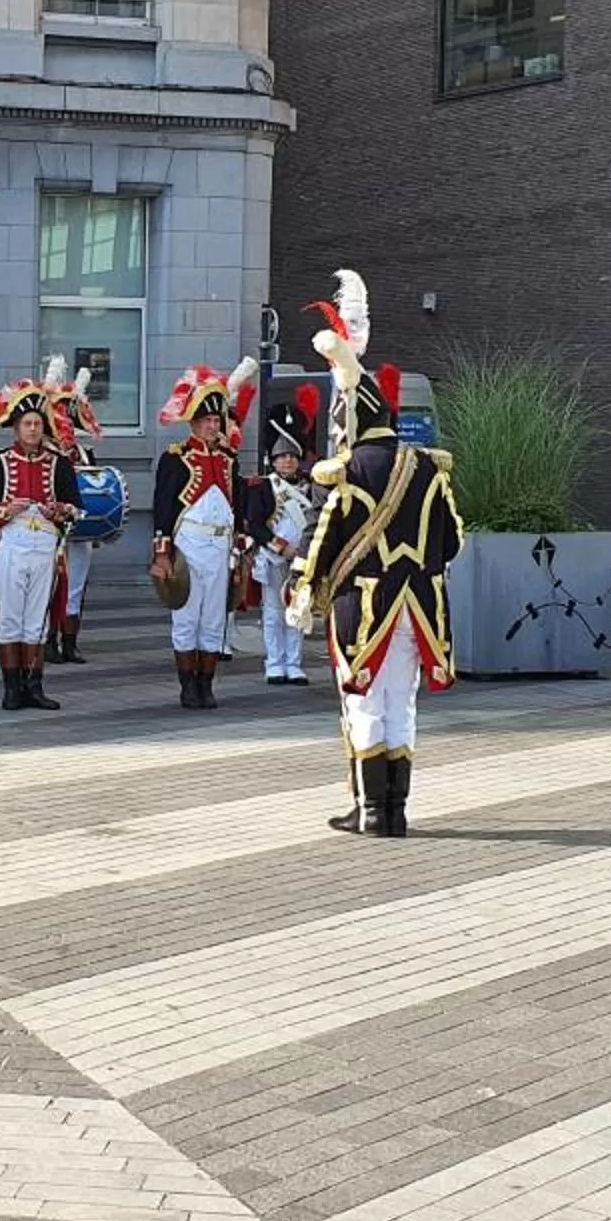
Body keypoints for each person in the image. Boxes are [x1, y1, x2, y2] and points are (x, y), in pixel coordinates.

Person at [289, 270, 463, 838]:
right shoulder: (428, 466)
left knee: (362, 705)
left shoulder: (347, 471)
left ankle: (368, 811)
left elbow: (322, 537)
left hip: (364, 608)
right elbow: (453, 540)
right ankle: (397, 812)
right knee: (401, 707)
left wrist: (301, 591)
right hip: (421, 612)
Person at [149, 359, 259, 708]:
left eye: (217, 420)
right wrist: (162, 552)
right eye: (207, 420)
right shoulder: (176, 459)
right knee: (186, 615)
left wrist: (241, 542)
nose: (213, 426)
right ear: (193, 422)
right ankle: (186, 686)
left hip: (220, 545)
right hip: (188, 544)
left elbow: (237, 505)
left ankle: (205, 684)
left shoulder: (229, 459)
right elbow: (163, 507)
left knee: (214, 618)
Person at [0, 375, 83, 710]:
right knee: (11, 617)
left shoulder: (59, 463)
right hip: (12, 542)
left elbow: (77, 508)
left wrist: (61, 510)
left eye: (37, 423)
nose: (33, 429)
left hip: (46, 543)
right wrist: (4, 510)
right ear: (16, 427)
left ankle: (34, 686)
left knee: (38, 620)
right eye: (27, 423)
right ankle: (11, 688)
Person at [247, 392, 322, 685]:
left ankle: (294, 663)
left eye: (292, 456)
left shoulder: (309, 487)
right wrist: (281, 547)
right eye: (283, 457)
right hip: (274, 556)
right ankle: (274, 663)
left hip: (300, 558)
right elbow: (256, 525)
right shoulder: (263, 487)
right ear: (273, 460)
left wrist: (301, 552)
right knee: (273, 612)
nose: (289, 461)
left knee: (298, 610)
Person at [44, 356, 109, 665]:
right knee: (50, 585)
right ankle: (48, 640)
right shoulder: (44, 452)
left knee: (76, 585)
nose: (68, 427)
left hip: (80, 529)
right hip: (51, 528)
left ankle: (70, 642)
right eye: (63, 421)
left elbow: (95, 487)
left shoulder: (85, 452)